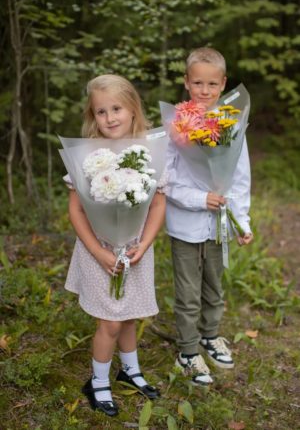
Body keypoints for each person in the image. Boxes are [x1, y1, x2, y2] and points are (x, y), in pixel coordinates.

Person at [64, 74, 166, 416]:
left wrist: (146, 243)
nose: (109, 117)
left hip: (136, 248)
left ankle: (130, 370)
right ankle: (98, 382)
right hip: (98, 250)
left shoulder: (150, 152)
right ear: (93, 116)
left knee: (130, 315)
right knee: (109, 321)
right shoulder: (87, 155)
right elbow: (76, 209)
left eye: (116, 108)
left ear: (133, 108)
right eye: (101, 111)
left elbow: (158, 204)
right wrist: (98, 251)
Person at [165, 47, 253, 386]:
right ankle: (187, 350)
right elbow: (167, 181)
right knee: (188, 290)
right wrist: (200, 198)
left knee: (214, 284)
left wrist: (241, 221)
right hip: (186, 223)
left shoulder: (231, 123)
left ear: (223, 84)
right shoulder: (176, 126)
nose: (204, 90)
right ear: (186, 83)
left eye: (212, 84)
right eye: (198, 83)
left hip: (219, 225)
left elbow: (240, 176)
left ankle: (209, 334)